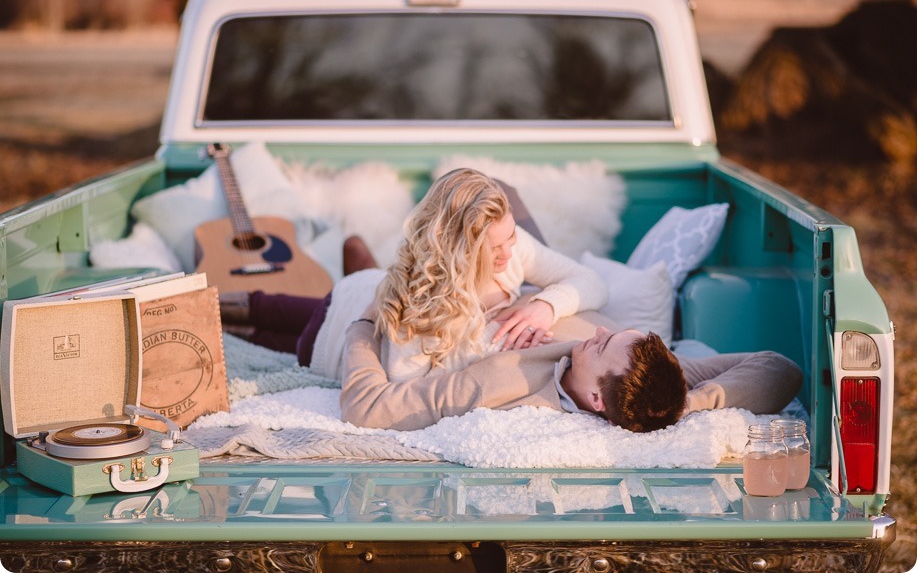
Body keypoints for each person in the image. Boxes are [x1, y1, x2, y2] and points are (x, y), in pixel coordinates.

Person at [221, 168, 608, 382]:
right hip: (333, 339)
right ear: (459, 252)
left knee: (297, 307)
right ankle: (224, 311)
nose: (509, 251)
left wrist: (544, 305)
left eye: (510, 237)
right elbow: (401, 376)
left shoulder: (512, 245)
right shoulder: (423, 297)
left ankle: (240, 309)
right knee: (277, 331)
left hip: (366, 289)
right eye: (493, 249)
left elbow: (591, 282)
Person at [339, 310, 803, 432]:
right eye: (610, 333)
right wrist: (682, 405)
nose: (598, 331)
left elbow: (368, 409)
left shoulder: (506, 382)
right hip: (542, 287)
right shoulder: (655, 381)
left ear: (598, 401)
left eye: (601, 343)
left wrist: (363, 325)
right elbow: (779, 366)